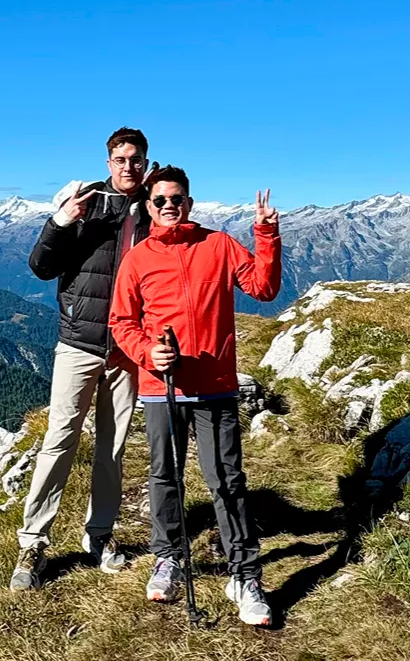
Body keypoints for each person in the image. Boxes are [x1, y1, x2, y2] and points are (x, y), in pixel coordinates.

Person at [108, 165, 281, 626]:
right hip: (161, 387)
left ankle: (244, 574)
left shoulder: (219, 245)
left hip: (214, 385)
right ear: (149, 207)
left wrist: (266, 234)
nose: (169, 206)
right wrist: (148, 352)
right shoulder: (137, 259)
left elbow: (264, 289)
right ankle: (169, 558)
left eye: (176, 199)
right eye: (160, 200)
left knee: (226, 479)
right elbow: (121, 322)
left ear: (189, 202)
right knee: (164, 476)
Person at [9, 127, 154, 591]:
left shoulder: (154, 208)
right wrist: (61, 221)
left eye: (136, 159)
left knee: (112, 447)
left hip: (128, 349)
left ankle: (100, 534)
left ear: (146, 162)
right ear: (109, 162)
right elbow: (41, 267)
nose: (128, 166)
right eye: (121, 159)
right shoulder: (87, 203)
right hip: (79, 343)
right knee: (59, 440)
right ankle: (33, 543)